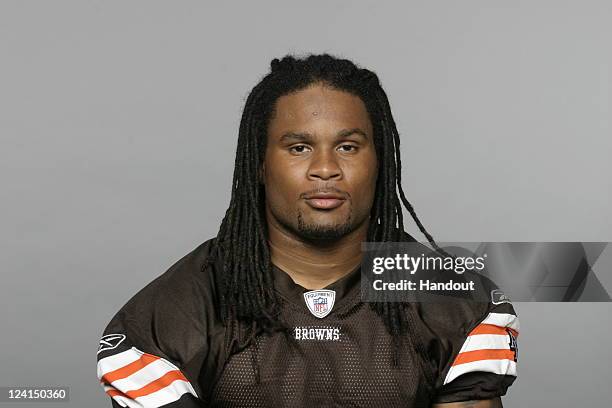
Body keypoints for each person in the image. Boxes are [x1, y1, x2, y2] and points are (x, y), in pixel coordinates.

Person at [96, 54, 519, 408]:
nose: (325, 168)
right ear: (259, 164)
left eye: (348, 147)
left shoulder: (455, 302)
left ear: (380, 161)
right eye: (299, 147)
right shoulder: (172, 315)